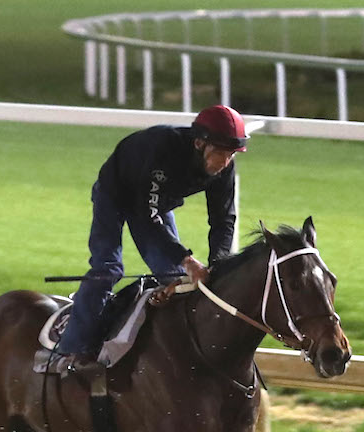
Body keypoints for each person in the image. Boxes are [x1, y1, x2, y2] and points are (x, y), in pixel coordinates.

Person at [55, 104, 249, 373]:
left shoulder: (224, 167)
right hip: (115, 193)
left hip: (156, 204)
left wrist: (218, 265)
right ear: (198, 143)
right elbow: (147, 219)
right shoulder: (164, 150)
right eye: (220, 154)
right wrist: (188, 259)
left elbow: (223, 221)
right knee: (108, 269)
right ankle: (70, 352)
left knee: (173, 280)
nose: (224, 163)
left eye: (231, 155)